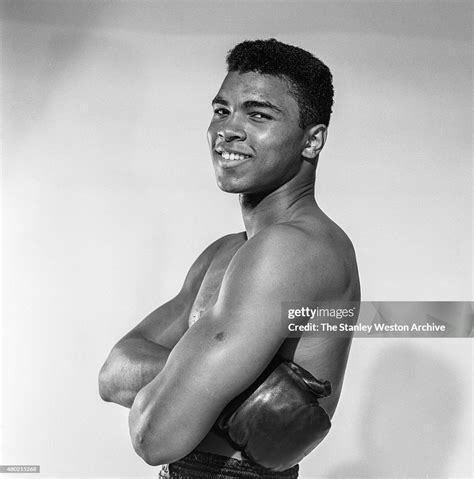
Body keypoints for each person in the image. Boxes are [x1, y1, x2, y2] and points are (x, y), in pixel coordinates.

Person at [99, 38, 360, 478]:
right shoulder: (225, 251)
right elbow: (113, 371)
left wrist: (194, 391)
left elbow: (155, 435)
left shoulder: (293, 249)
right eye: (222, 110)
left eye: (258, 114)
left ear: (312, 141)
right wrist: (238, 393)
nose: (228, 129)